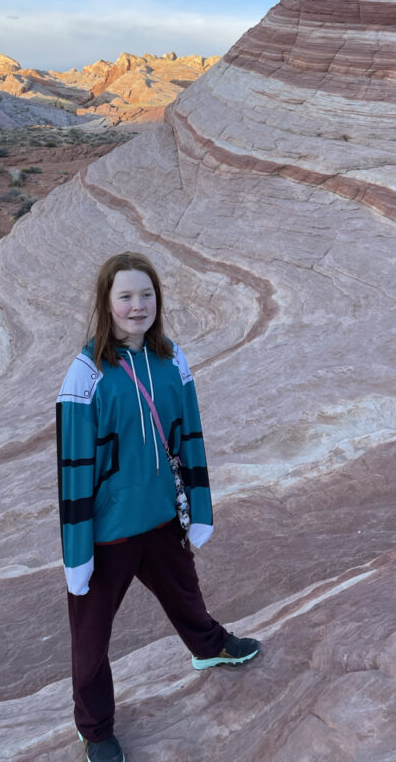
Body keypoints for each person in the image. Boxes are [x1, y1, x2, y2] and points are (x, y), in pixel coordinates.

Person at [56, 251, 261, 762]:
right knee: (92, 639)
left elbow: (190, 435)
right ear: (107, 302)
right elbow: (74, 469)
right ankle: (96, 729)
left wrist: (200, 507)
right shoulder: (86, 375)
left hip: (163, 516)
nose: (137, 305)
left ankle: (209, 647)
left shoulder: (173, 360)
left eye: (146, 294)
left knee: (186, 594)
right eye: (125, 295)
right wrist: (77, 551)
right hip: (110, 532)